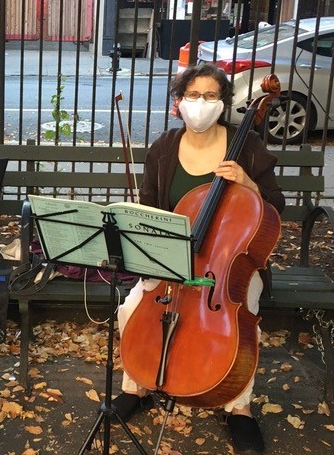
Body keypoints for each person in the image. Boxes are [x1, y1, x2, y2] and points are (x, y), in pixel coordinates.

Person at [112, 64, 285, 454]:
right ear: (179, 102)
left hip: (231, 262)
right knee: (132, 306)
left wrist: (249, 183)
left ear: (222, 103)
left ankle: (239, 407)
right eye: (192, 95)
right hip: (174, 258)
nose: (201, 103)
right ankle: (136, 387)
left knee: (244, 320)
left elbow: (276, 207)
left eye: (210, 96)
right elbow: (150, 209)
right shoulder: (164, 148)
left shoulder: (247, 146)